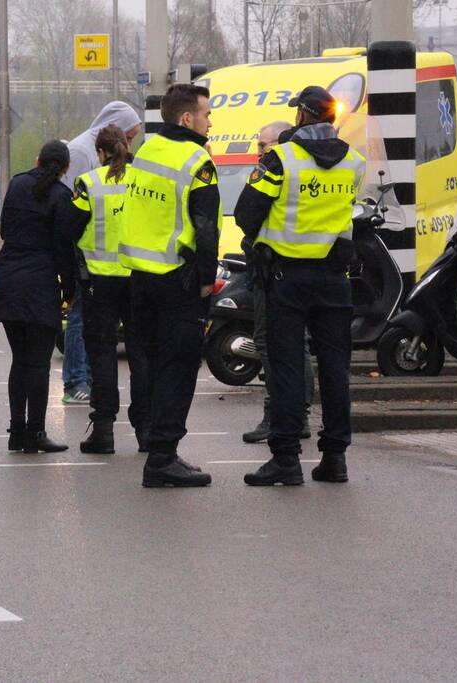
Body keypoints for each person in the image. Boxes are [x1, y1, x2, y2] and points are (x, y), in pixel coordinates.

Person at [234, 85, 365, 486]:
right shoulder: (354, 162)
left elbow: (246, 212)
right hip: (333, 279)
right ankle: (335, 458)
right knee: (335, 370)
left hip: (286, 279)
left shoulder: (280, 159)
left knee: (288, 368)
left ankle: (286, 459)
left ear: (303, 116)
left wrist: (257, 242)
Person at [117, 83, 221, 488]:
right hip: (178, 280)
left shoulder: (148, 152)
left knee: (152, 365)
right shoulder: (198, 160)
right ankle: (162, 457)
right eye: (207, 114)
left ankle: (155, 445)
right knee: (179, 370)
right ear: (187, 118)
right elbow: (207, 228)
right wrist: (206, 283)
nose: (210, 122)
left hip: (140, 279)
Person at [63, 124, 150, 454]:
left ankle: (103, 430)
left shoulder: (88, 184)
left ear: (100, 153)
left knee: (101, 355)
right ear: (127, 146)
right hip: (139, 278)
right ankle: (145, 429)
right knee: (141, 353)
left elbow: (71, 228)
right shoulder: (143, 183)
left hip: (99, 282)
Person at [0, 141, 77, 453]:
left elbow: (4, 233)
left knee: (20, 360)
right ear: (65, 168)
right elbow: (63, 249)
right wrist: (70, 291)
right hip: (40, 284)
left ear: (37, 158)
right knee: (39, 364)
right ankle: (36, 433)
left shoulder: (16, 184)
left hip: (8, 279)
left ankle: (16, 432)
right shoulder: (61, 196)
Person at [242, 120, 315, 444]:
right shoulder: (304, 172)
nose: (259, 152)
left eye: (263, 145)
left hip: (273, 270)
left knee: (271, 343)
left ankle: (279, 414)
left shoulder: (277, 171)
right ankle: (296, 415)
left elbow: (249, 216)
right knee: (295, 345)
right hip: (299, 270)